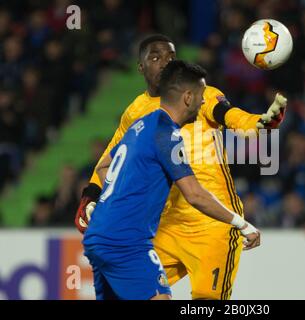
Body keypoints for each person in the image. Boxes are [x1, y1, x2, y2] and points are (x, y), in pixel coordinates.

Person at [76, 34, 286, 299]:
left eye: (171, 57)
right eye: (156, 57)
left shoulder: (202, 95)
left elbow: (231, 116)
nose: (165, 62)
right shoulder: (136, 110)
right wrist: (91, 193)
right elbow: (112, 156)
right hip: (165, 227)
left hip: (212, 225)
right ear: (140, 67)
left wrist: (258, 124)